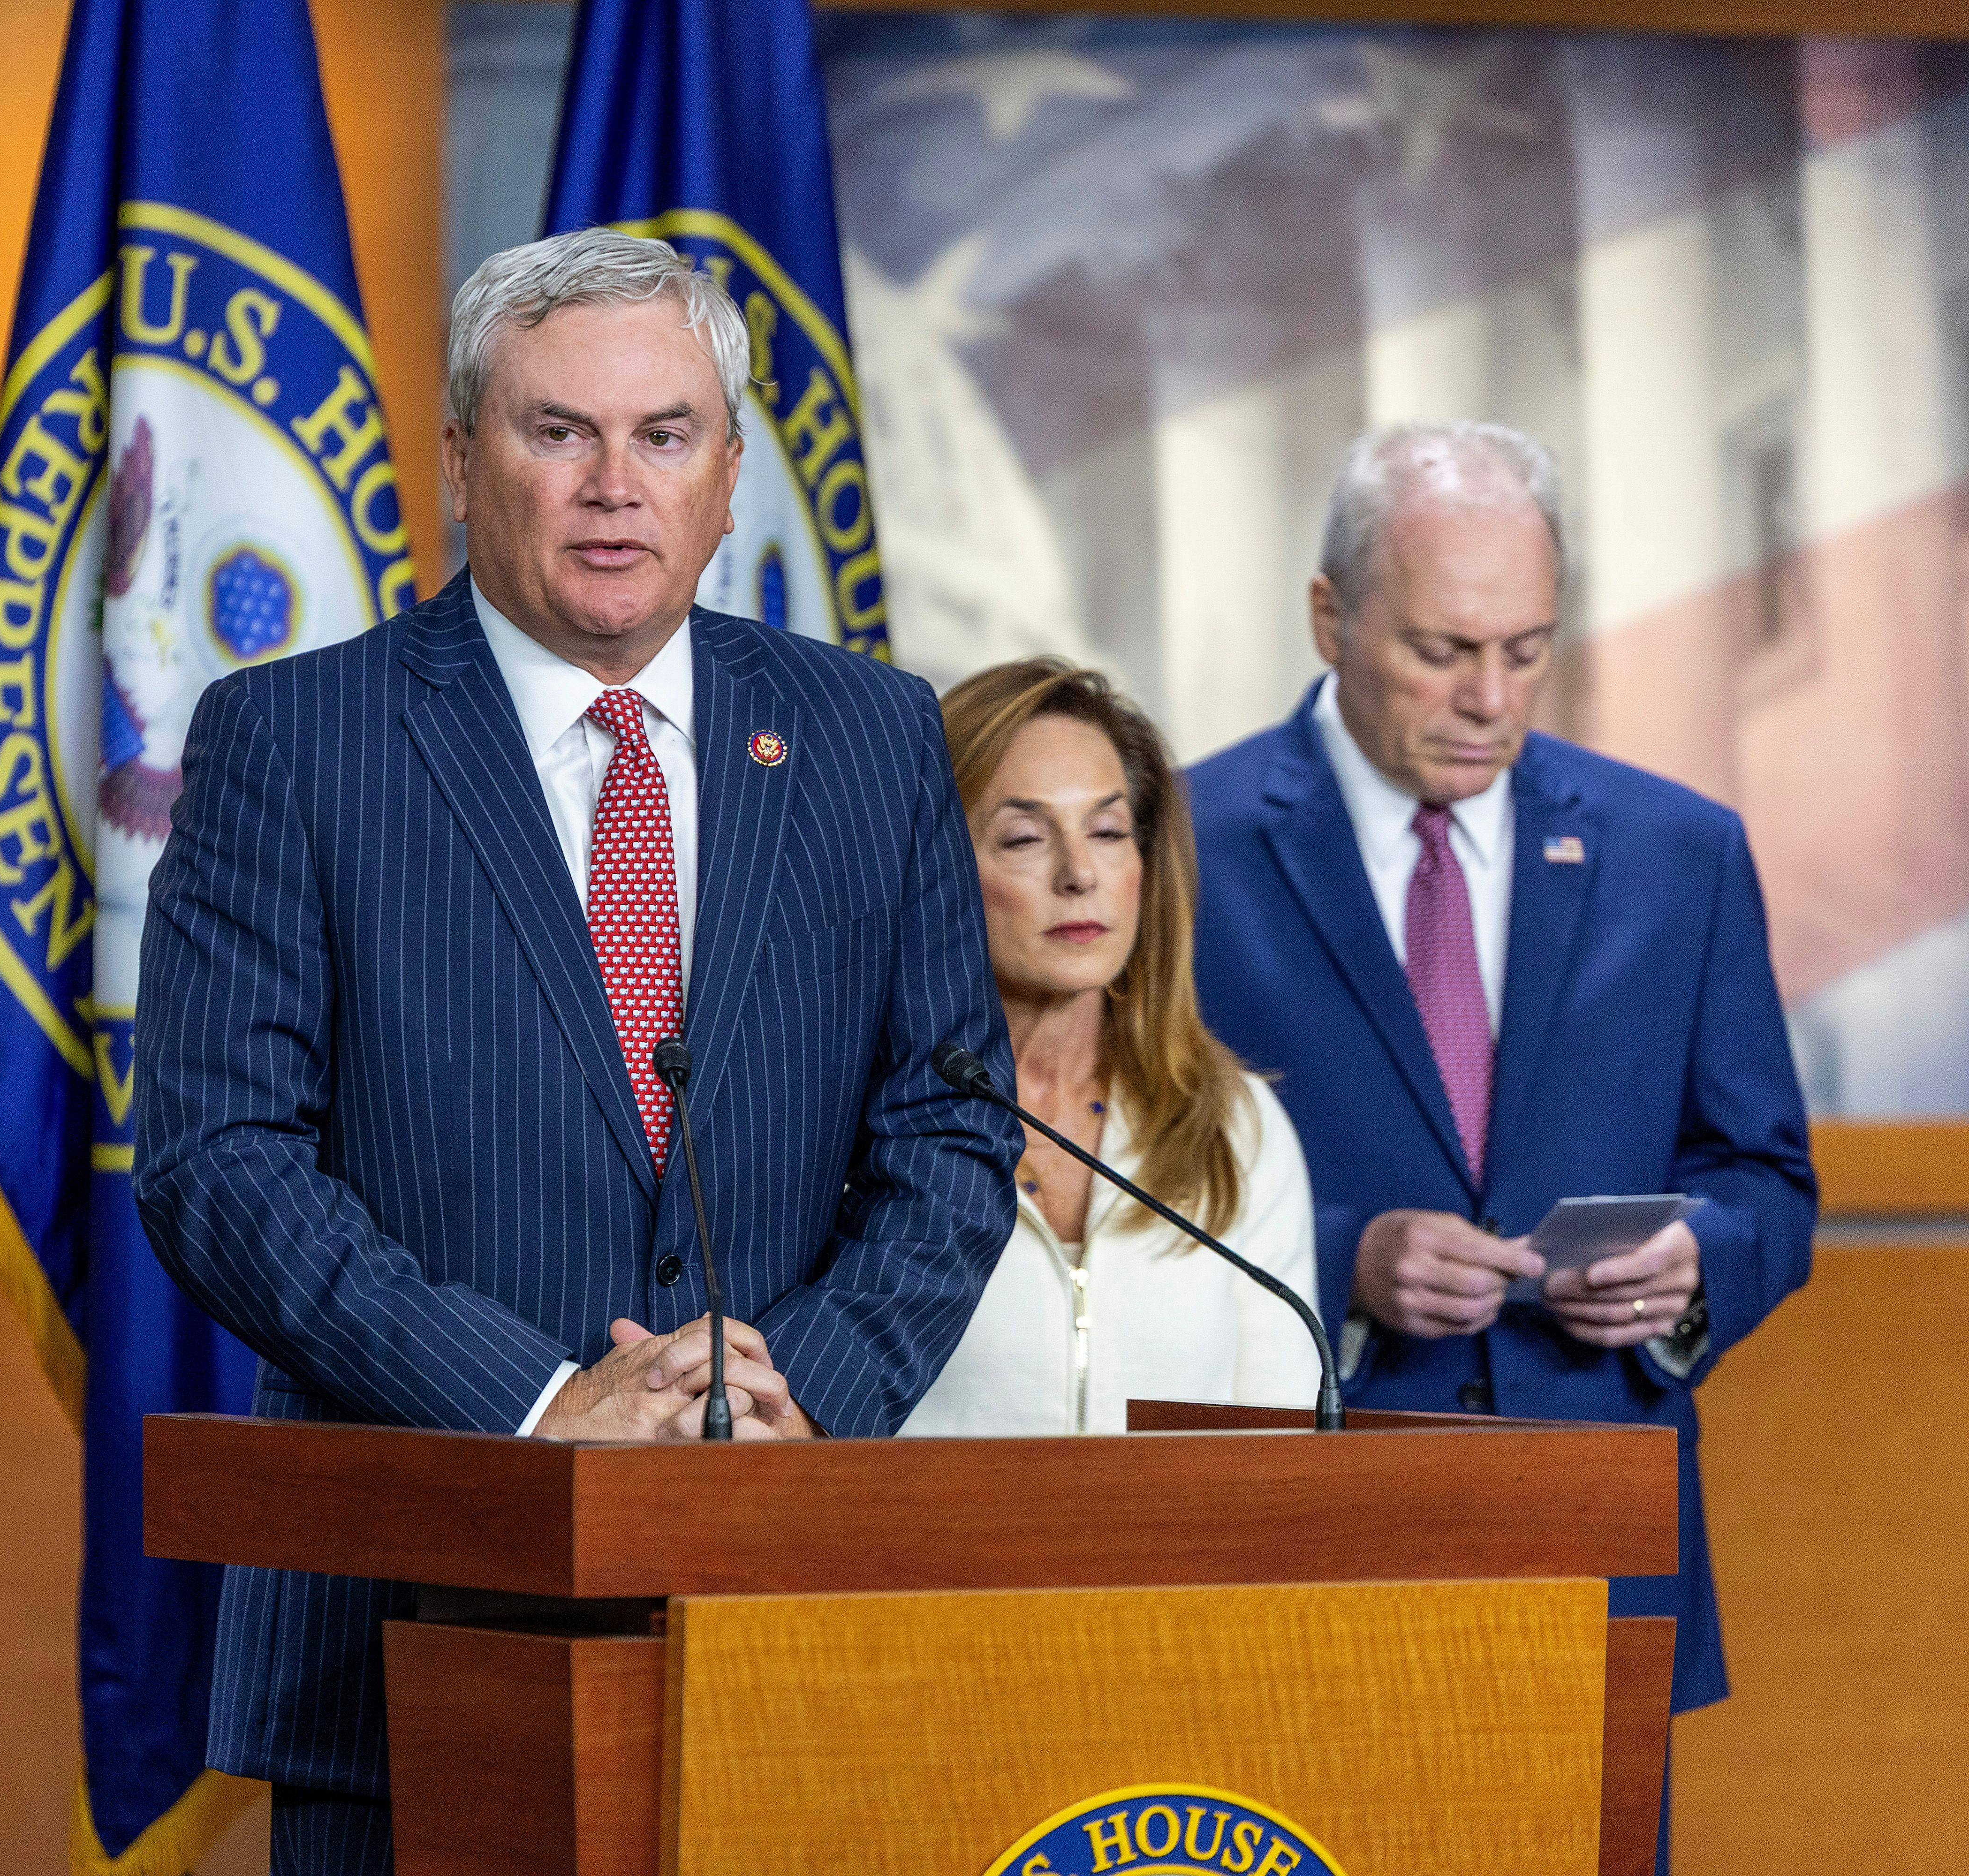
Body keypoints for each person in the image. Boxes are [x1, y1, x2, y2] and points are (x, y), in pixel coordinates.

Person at [133, 227, 1017, 1874]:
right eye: (560, 433)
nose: (617, 486)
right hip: (405, 1631)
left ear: (731, 473)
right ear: (464, 465)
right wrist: (535, 1405)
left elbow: (951, 1134)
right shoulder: (294, 740)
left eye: (664, 435)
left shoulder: (870, 735)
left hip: (775, 1613)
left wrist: (797, 1386)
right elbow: (220, 1163)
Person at [1187, 422, 1815, 1782]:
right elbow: (1117, 1184)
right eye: (1443, 650)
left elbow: (1770, 1179)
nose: (1492, 698)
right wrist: (1346, 1255)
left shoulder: (1679, 854)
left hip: (1597, 1536)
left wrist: (1691, 1266)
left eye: (1526, 649)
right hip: (1302, 1527)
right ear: (1329, 619)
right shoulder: (1181, 847)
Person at [903, 659, 1318, 1437]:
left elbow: (1280, 1448)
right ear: (932, 865)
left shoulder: (1234, 1124)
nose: (1080, 874)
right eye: (1025, 837)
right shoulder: (855, 1124)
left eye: (1107, 831)